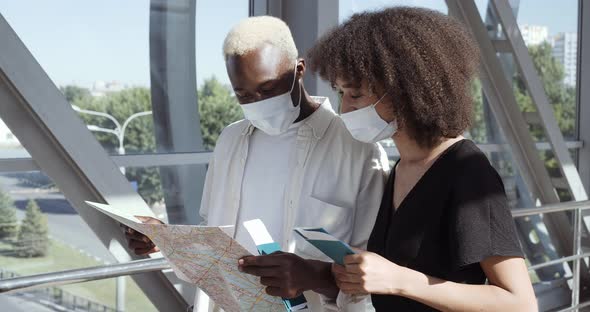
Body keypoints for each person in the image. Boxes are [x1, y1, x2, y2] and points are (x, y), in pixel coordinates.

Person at [123, 16, 388, 311]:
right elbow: (214, 237)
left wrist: (313, 276)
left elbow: (371, 275)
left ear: (299, 70)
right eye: (243, 94)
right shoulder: (230, 140)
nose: (258, 102)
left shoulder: (359, 151)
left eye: (268, 88)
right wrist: (166, 239)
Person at [306, 7, 538, 311]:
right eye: (341, 94)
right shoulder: (403, 168)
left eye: (355, 95)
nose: (344, 109)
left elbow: (520, 304)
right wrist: (360, 273)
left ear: (405, 89)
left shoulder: (467, 171)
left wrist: (397, 279)